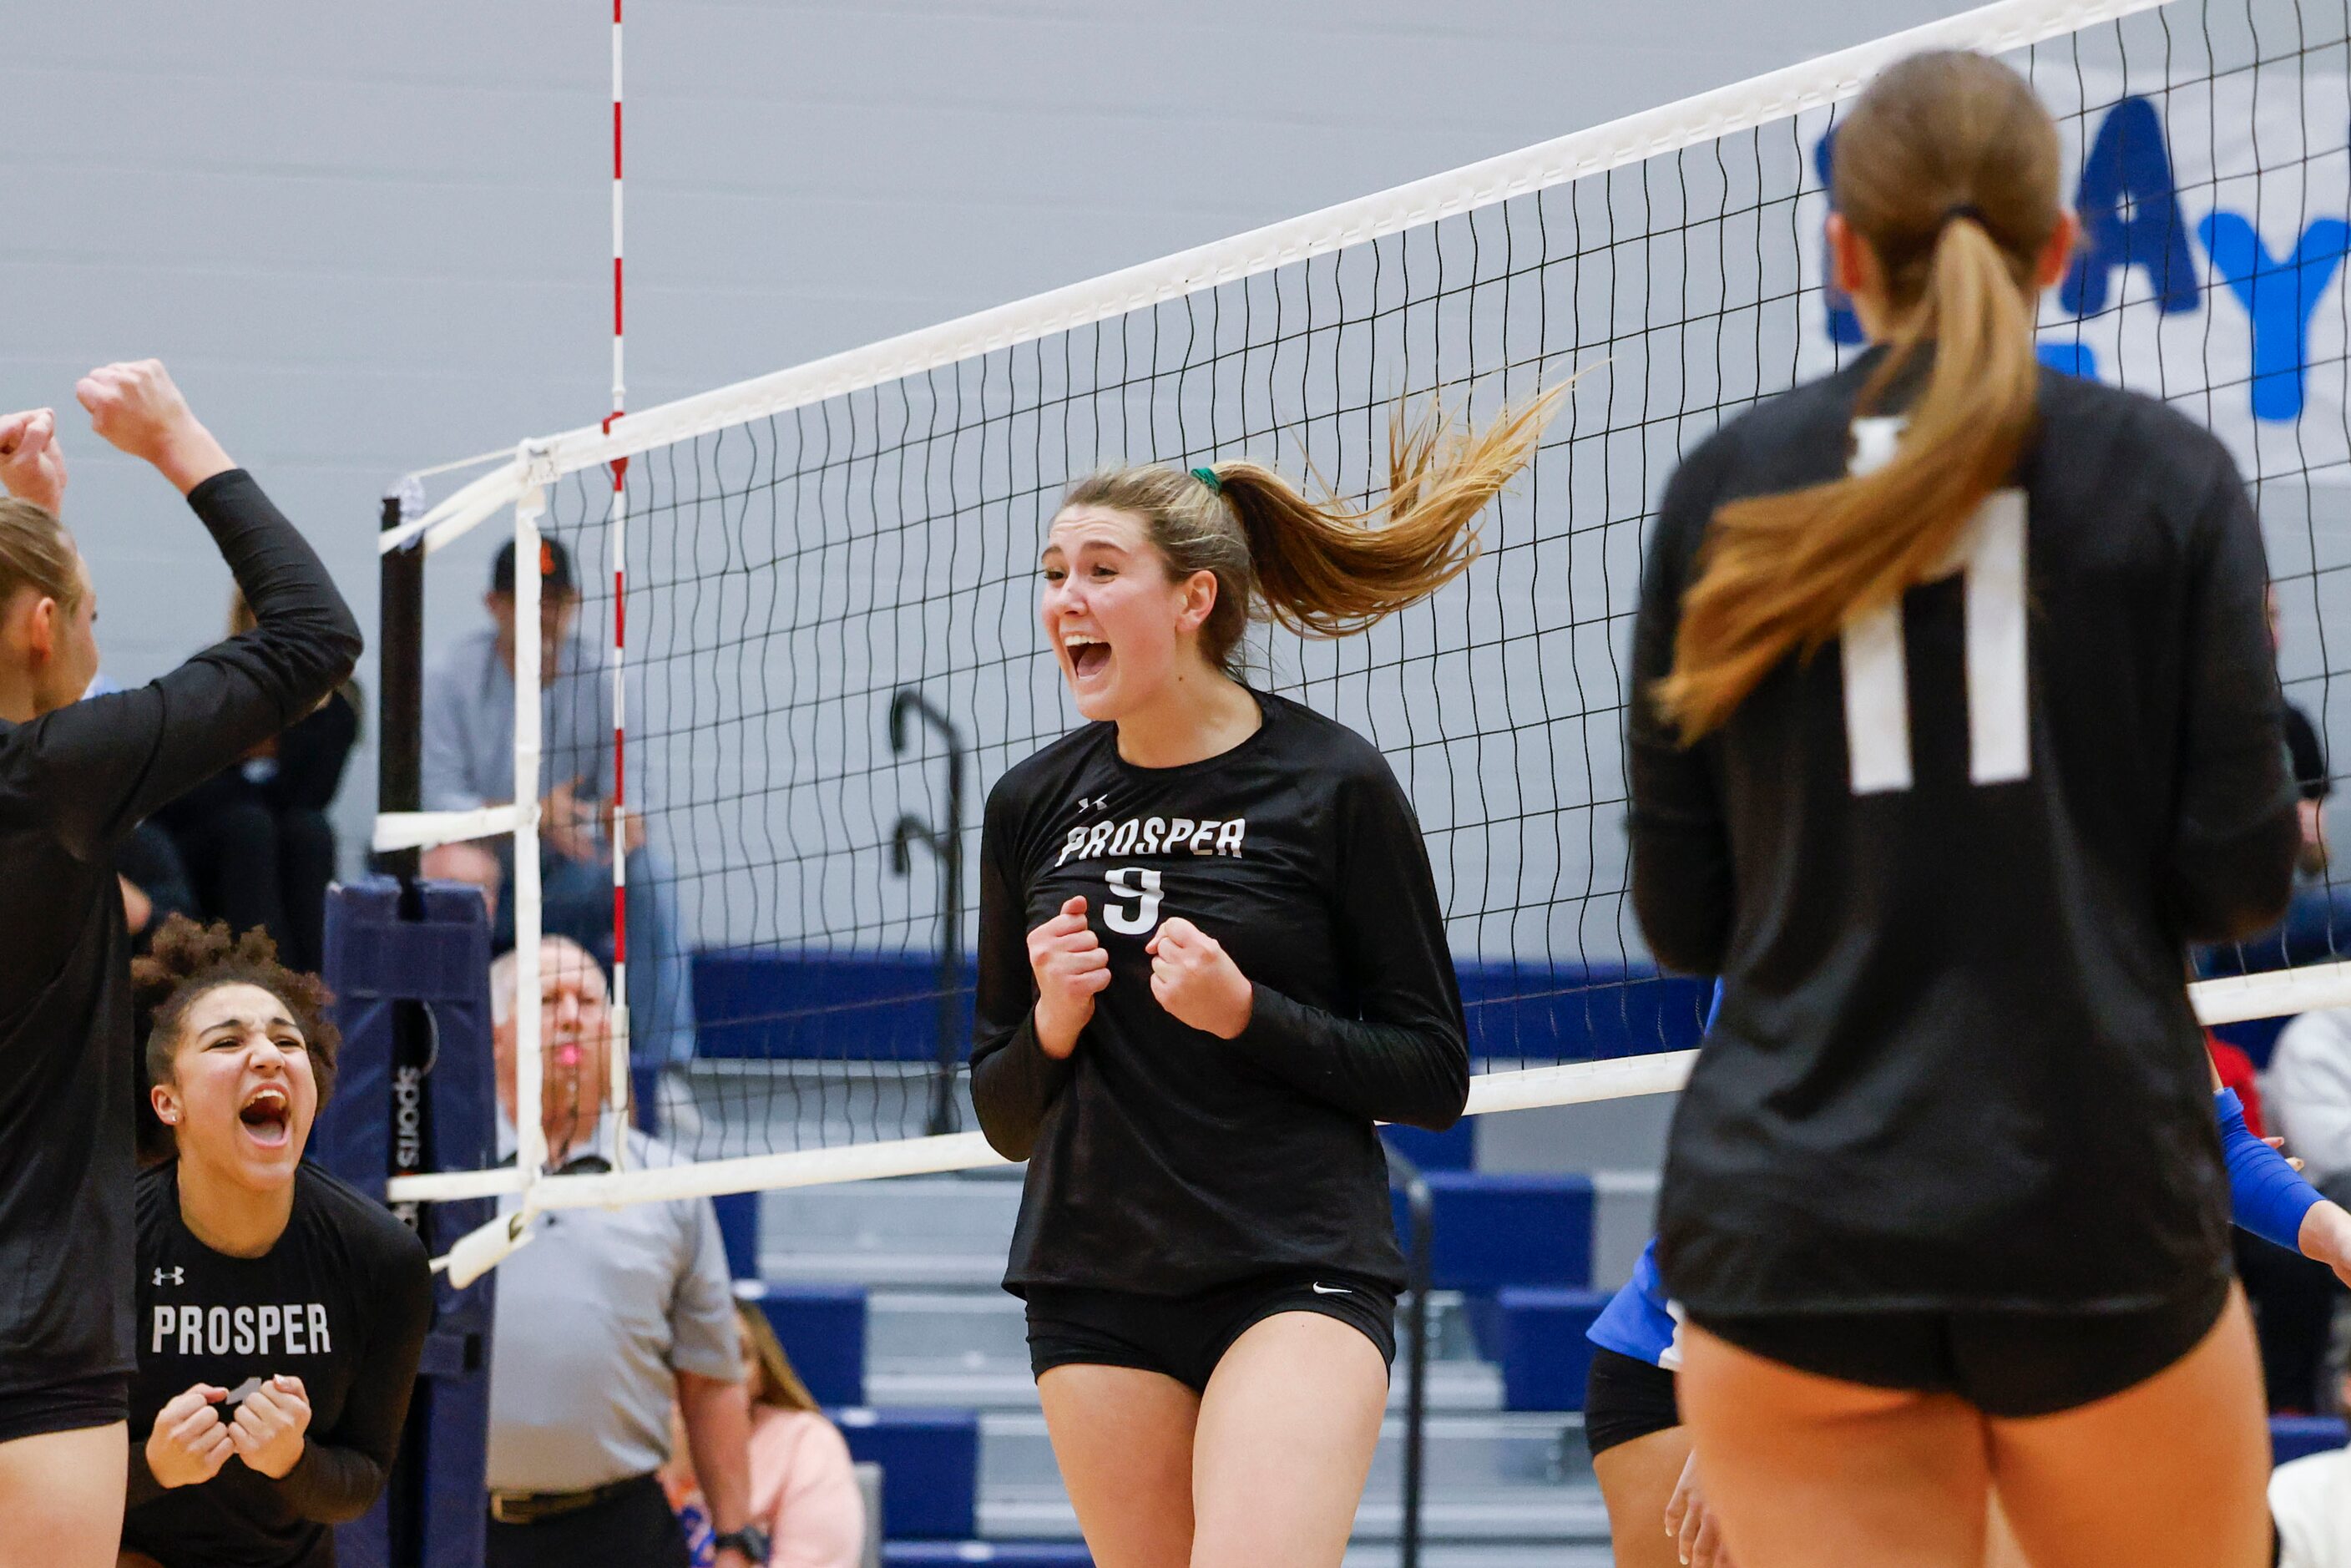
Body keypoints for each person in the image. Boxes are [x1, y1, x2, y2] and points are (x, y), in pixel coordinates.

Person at [1629, 48, 2301, 1568]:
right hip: (2088, 1200)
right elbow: (2242, 877)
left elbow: (1684, 918)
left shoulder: (1726, 485)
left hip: (1796, 1220)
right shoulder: (2167, 479)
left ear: (1842, 252)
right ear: (2060, 249)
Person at [969, 389, 1555, 1567]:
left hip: (1297, 1264)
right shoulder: (1029, 805)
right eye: (1052, 573)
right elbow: (1003, 1111)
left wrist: (1248, 1014)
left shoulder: (1331, 783)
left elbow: (1433, 1071)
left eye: (1098, 569)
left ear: (1193, 598)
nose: (1064, 599)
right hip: (1094, 1276)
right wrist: (1055, 1018)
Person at [0, 366, 361, 1568]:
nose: (97, 643)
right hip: (37, 1336)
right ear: (40, 624)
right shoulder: (58, 777)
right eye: (88, 612)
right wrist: (176, 439)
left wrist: (33, 535)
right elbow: (314, 634)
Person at [119, 917, 433, 1568]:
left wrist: (294, 1461)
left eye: (287, 1040)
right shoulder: (104, 1248)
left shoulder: (383, 1258)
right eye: (227, 1041)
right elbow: (37, 1465)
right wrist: (153, 1465)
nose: (267, 1055)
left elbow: (364, 1478)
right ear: (167, 1102)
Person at [480, 936, 761, 1568]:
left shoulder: (669, 1183)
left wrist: (736, 1538)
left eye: (589, 1000)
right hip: (463, 1530)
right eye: (549, 999)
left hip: (621, 1531)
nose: (574, 1016)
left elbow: (711, 1380)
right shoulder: (440, 1181)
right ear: (495, 1034)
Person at [418, 537, 699, 1101]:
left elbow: (633, 808)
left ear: (575, 603)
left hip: (570, 875)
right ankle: (446, 1074)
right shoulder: (448, 677)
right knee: (458, 868)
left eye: (555, 600)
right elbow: (436, 810)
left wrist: (602, 820)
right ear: (493, 604)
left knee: (649, 875)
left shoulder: (606, 678)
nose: (542, 614)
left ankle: (660, 1075)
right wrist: (532, 817)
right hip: (487, 878)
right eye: (526, 600)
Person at [154, 593, 361, 974]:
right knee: (249, 827)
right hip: (208, 841)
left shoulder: (334, 701)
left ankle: (312, 989)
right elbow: (175, 796)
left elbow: (311, 795)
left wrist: (270, 737)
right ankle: (262, 979)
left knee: (310, 832)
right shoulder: (210, 678)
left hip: (274, 833)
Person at [663, 1302, 867, 1568]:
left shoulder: (804, 1442)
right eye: (693, 1351)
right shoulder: (621, 1446)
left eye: (736, 1354)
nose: (714, 1371)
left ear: (761, 1376)